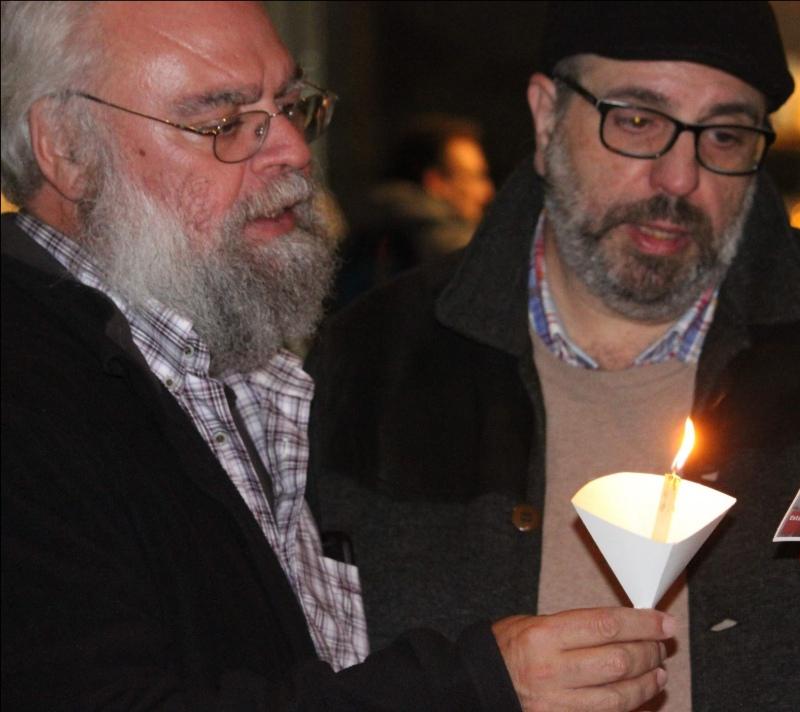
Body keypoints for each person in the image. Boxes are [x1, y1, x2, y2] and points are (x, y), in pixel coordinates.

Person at [308, 3, 800, 709]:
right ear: (546, 114)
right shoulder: (373, 360)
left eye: (726, 135)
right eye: (638, 121)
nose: (679, 179)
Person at [0, 3, 676, 710]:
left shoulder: (228, 354)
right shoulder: (27, 383)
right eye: (223, 122)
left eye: (288, 105)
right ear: (68, 149)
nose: (293, 150)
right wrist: (471, 688)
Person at [331, 114, 495, 307]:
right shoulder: (445, 242)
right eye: (474, 177)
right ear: (436, 181)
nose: (487, 191)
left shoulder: (371, 228)